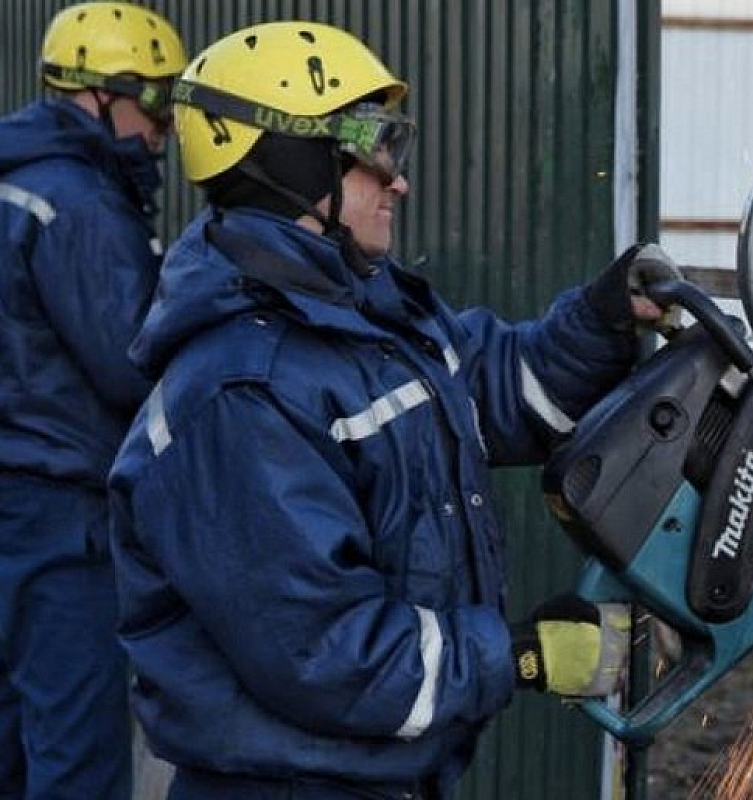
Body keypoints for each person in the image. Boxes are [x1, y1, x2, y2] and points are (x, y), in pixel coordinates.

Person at [107, 20, 674, 800]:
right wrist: (519, 656)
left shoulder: (366, 314)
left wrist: (605, 316)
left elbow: (498, 393)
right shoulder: (241, 394)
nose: (398, 179)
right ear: (291, 161)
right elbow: (322, 651)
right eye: (378, 147)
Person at [0, 3, 186, 798]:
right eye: (156, 104)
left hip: (15, 500)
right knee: (77, 758)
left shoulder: (15, 178)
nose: (165, 130)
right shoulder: (78, 205)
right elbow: (129, 361)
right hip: (60, 519)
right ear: (103, 92)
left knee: (13, 739)